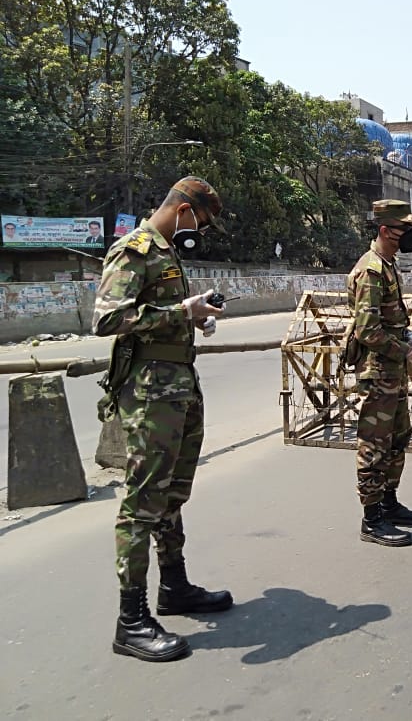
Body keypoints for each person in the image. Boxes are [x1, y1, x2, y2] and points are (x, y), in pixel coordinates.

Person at [93, 176, 231, 663]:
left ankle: (174, 586)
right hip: (150, 394)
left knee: (172, 493)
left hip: (177, 387)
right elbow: (107, 319)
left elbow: (162, 312)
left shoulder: (168, 251)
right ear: (183, 210)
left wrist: (194, 316)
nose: (203, 231)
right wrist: (179, 312)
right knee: (142, 502)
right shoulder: (136, 248)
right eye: (203, 221)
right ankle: (131, 619)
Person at [347, 199, 412, 548]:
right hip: (377, 371)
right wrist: (407, 350)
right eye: (405, 229)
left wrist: (409, 336)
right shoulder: (370, 271)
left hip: (392, 372)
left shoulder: (387, 265)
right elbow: (368, 331)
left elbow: (390, 320)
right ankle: (372, 519)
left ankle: (388, 502)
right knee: (374, 444)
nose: (411, 236)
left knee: (397, 439)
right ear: (385, 230)